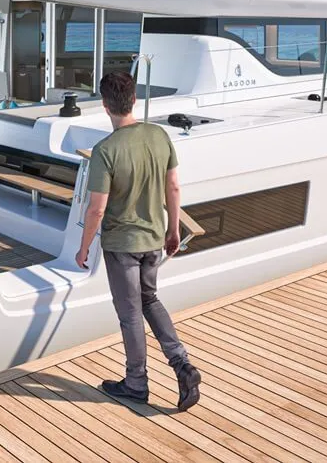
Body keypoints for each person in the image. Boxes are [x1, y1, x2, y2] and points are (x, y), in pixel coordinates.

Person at [75, 71, 201, 411]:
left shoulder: (105, 150)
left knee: (130, 314)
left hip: (122, 245)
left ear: (105, 105)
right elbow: (173, 187)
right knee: (150, 300)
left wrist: (84, 247)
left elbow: (97, 209)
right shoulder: (159, 136)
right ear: (133, 100)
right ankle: (182, 365)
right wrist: (173, 230)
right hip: (153, 239)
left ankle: (136, 383)